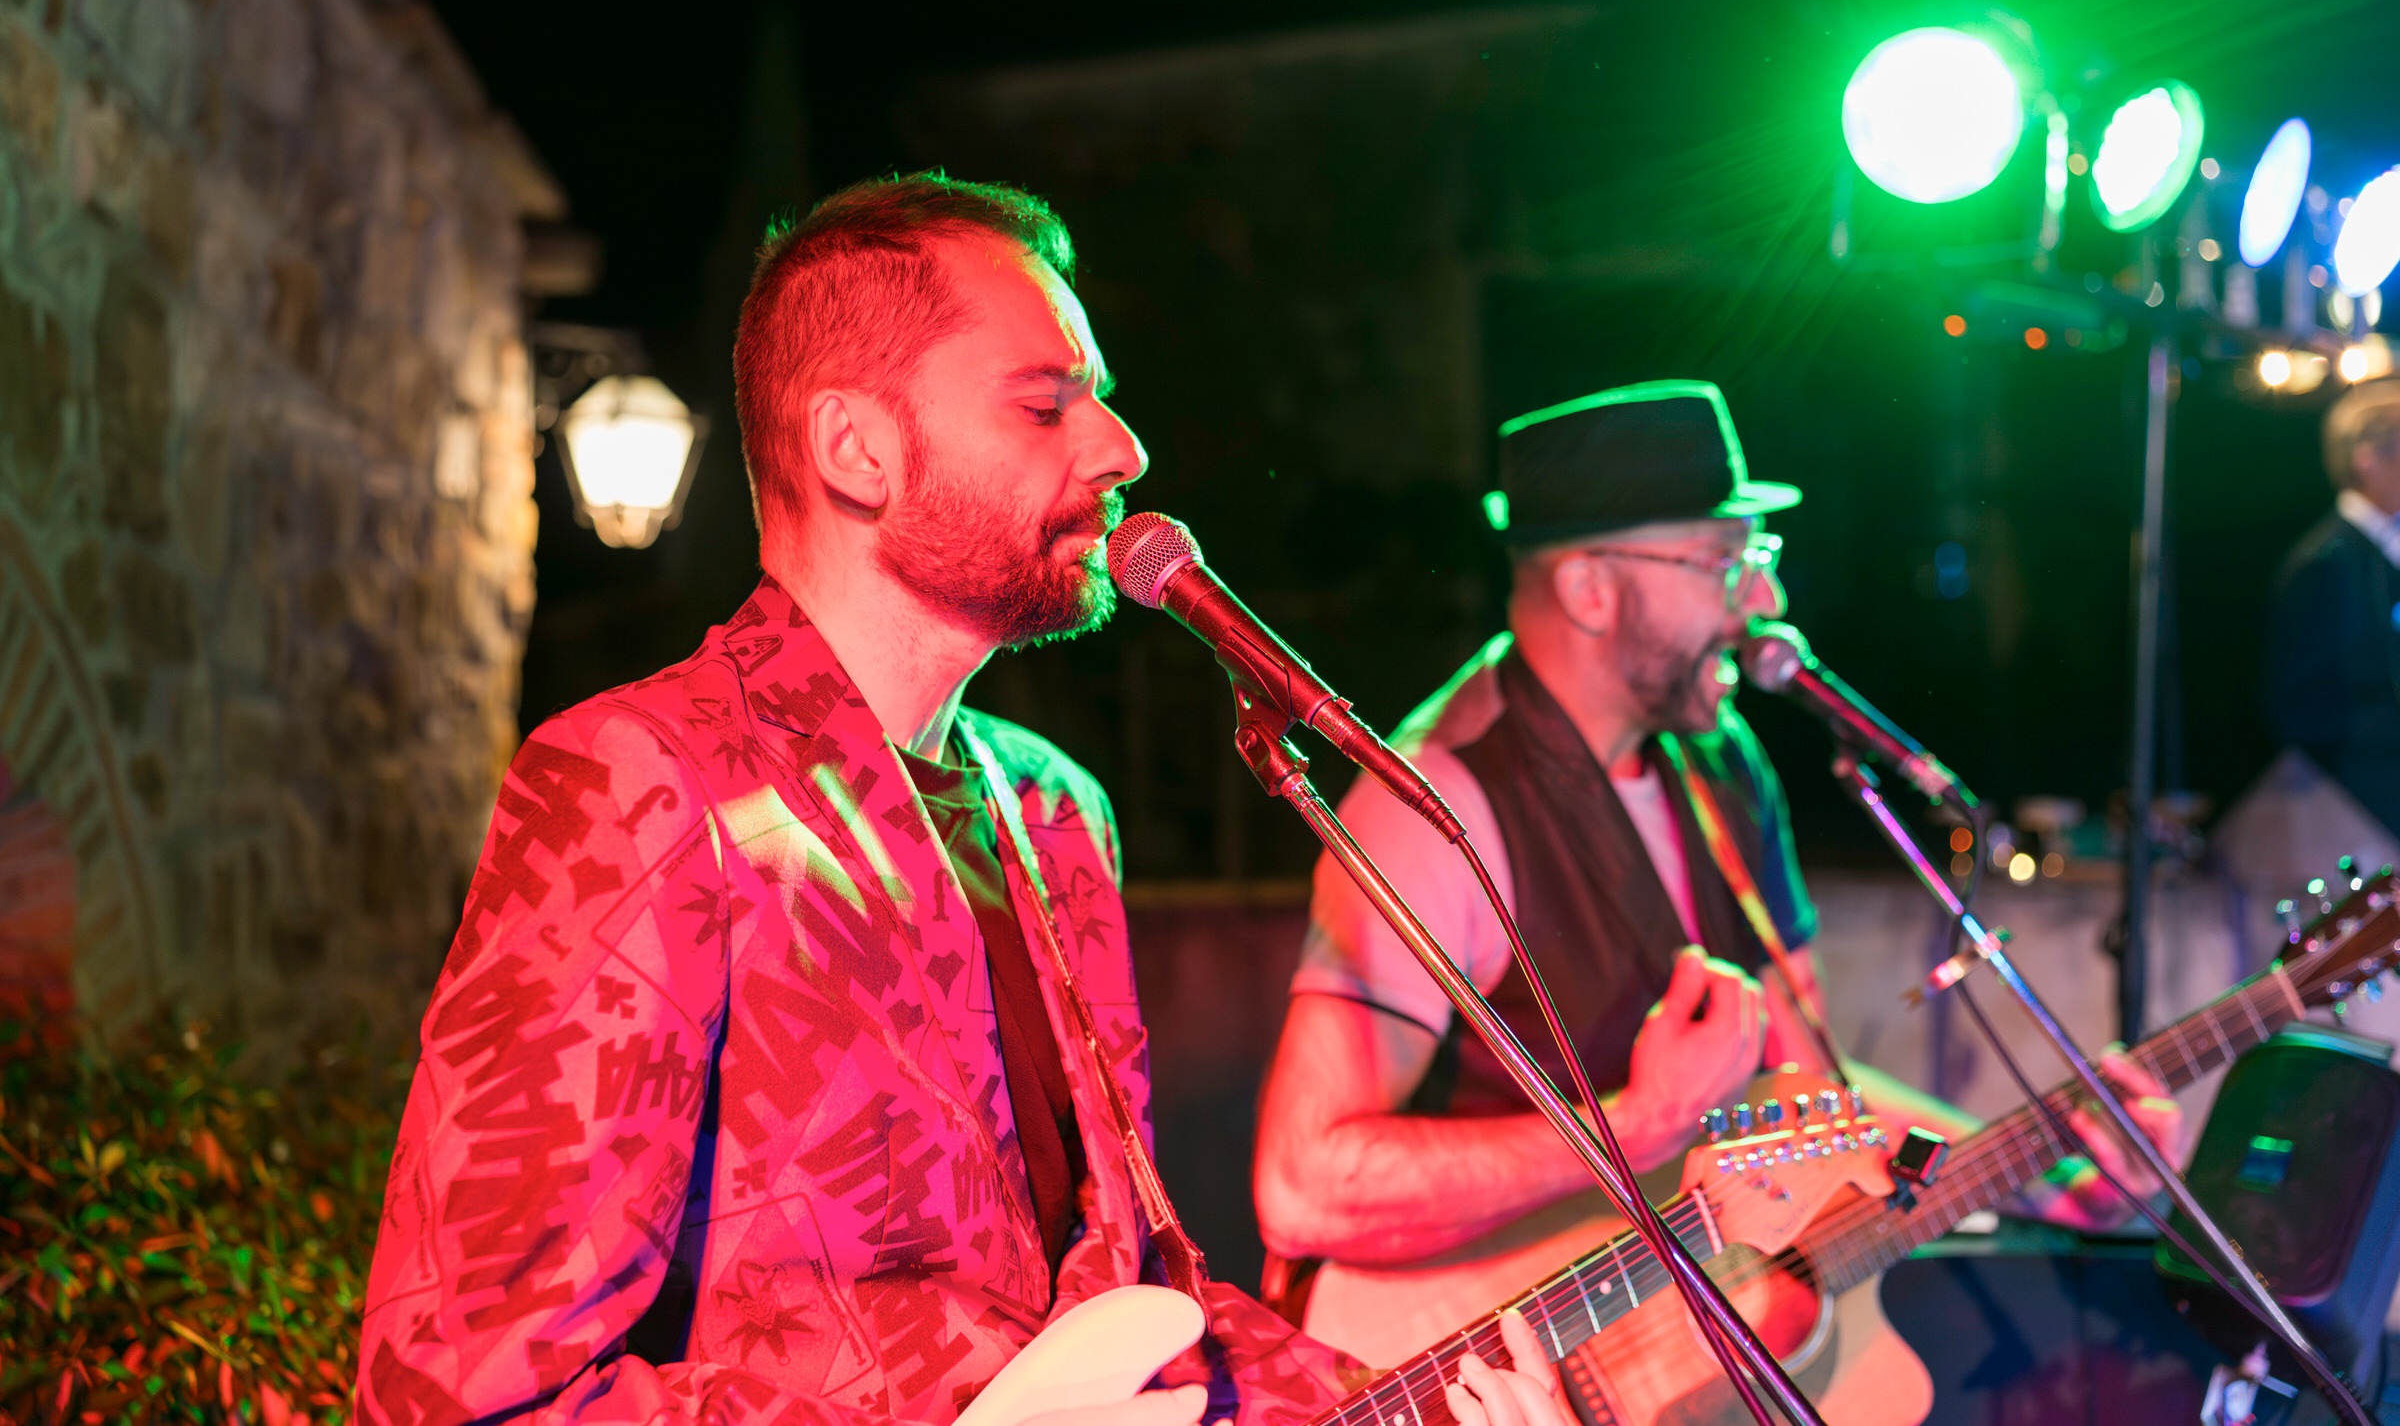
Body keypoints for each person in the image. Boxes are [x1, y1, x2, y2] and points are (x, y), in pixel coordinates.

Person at [353, 174, 1574, 1426]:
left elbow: (1129, 1307)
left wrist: (1413, 1406)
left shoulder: (1053, 813)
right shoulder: (643, 779)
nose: (1122, 448)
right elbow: (459, 1394)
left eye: (1095, 395)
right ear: (857, 450)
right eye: (1045, 403)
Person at [1251, 381, 2187, 1362]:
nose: (1768, 603)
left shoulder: (1722, 762)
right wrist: (1638, 1125)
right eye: (1723, 561)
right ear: (1590, 589)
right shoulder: (1435, 804)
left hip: (1669, 1349)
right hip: (1469, 1372)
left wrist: (2041, 1171)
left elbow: (1809, 1100)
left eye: (1759, 556)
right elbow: (1302, 1186)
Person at [2266, 378, 2400, 837]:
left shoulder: (2384, 553)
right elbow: (2302, 710)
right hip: (2361, 817)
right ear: (2368, 458)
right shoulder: (2324, 563)